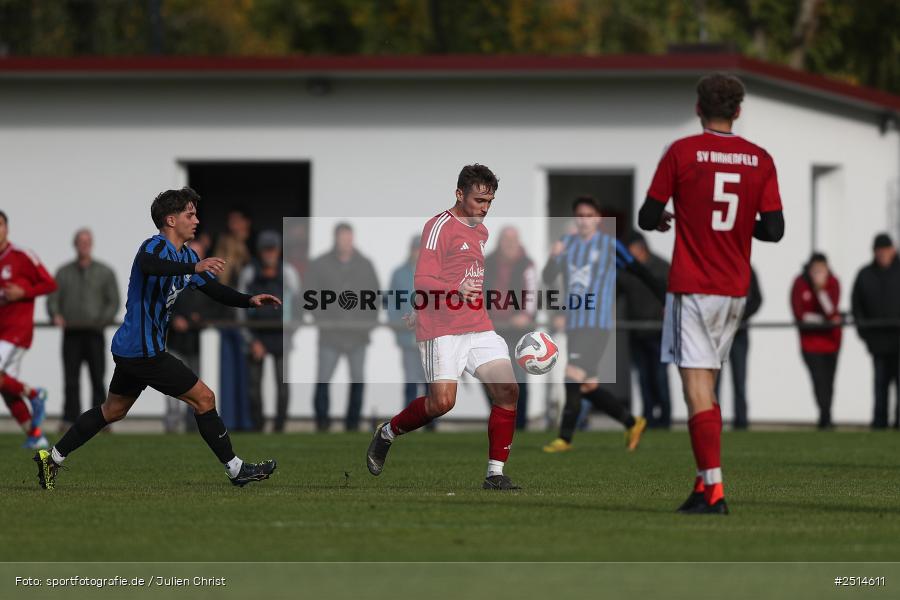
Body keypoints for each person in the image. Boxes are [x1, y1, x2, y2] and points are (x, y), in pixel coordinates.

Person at [33, 187, 281, 490]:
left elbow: (214, 290)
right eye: (190, 215)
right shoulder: (154, 247)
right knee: (204, 398)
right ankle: (235, 469)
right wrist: (193, 267)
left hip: (132, 350)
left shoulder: (187, 255)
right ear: (170, 220)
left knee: (112, 410)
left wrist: (249, 300)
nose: (197, 220)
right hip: (143, 352)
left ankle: (51, 458)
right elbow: (152, 267)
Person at [639, 72, 785, 514]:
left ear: (699, 107)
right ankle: (704, 486)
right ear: (738, 111)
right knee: (708, 387)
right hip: (735, 288)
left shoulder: (682, 151)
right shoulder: (760, 158)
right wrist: (742, 226)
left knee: (696, 387)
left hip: (694, 284)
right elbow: (774, 230)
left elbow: (647, 217)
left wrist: (670, 218)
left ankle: (716, 491)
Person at [366, 164, 522, 490]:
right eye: (479, 200)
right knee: (442, 404)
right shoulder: (439, 227)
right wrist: (445, 297)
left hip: (477, 324)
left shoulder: (480, 231)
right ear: (459, 194)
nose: (485, 208)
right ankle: (388, 432)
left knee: (508, 390)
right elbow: (423, 280)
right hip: (442, 328)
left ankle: (495, 474)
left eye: (490, 201)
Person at [541, 197, 660, 454]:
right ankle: (632, 421)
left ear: (598, 218)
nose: (584, 220)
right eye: (580, 215)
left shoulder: (610, 245)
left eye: (589, 215)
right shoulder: (568, 245)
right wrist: (553, 257)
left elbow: (639, 270)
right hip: (574, 322)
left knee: (572, 375)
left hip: (597, 324)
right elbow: (548, 277)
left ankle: (565, 438)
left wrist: (665, 296)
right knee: (587, 386)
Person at [306, 223, 380, 432]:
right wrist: (324, 320)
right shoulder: (320, 264)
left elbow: (374, 296)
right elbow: (309, 294)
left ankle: (352, 426)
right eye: (342, 238)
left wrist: (367, 325)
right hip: (330, 335)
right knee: (323, 381)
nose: (346, 242)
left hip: (358, 336)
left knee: (357, 381)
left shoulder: (365, 265)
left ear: (352, 239)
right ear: (335, 239)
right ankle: (322, 425)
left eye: (349, 238)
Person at [47, 228, 120, 431]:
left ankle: (100, 422)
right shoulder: (63, 272)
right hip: (71, 334)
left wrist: (103, 320)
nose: (84, 245)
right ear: (75, 244)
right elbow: (52, 299)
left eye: (87, 241)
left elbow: (113, 301)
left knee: (98, 378)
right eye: (80, 241)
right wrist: (55, 314)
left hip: (95, 333)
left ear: (92, 244)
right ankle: (70, 419)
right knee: (71, 380)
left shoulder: (105, 272)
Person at [0, 210, 56, 449]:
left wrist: (23, 292)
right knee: (5, 388)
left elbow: (49, 283)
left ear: (7, 228)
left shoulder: (21, 255)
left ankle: (34, 394)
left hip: (16, 330)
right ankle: (36, 436)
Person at [239, 230, 300, 432]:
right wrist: (251, 341)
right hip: (257, 336)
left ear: (279, 250)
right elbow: (241, 311)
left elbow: (297, 307)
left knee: (283, 389)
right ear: (259, 251)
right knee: (253, 390)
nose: (269, 254)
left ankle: (279, 428)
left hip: (281, 336)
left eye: (273, 249)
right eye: (266, 250)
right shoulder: (249, 273)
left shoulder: (289, 273)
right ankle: (258, 428)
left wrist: (290, 335)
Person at [483, 226, 537, 430]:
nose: (509, 244)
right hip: (491, 329)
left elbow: (531, 292)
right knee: (490, 379)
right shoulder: (487, 262)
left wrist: (525, 315)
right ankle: (499, 422)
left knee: (519, 379)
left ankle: (520, 424)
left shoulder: (526, 264)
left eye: (513, 240)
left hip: (517, 331)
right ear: (500, 241)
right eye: (506, 240)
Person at [163, 237, 218, 433]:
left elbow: (218, 308)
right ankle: (171, 425)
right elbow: (163, 305)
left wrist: (200, 319)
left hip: (198, 343)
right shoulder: (175, 279)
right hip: (177, 342)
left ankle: (193, 426)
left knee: (196, 388)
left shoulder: (210, 281)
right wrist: (175, 319)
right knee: (172, 386)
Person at [621, 231, 671, 429]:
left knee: (659, 378)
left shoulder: (662, 267)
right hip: (636, 333)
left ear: (641, 248)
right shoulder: (627, 271)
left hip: (659, 334)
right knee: (643, 379)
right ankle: (648, 418)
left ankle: (664, 419)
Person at [851, 233, 900, 430]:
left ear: (893, 250)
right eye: (879, 251)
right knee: (880, 385)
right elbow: (857, 306)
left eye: (885, 250)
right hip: (877, 341)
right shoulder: (865, 274)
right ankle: (879, 423)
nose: (882, 254)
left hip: (899, 340)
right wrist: (865, 333)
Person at [791, 253, 842, 429]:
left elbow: (831, 311)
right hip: (810, 343)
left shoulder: (833, 283)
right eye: (816, 270)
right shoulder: (800, 283)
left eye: (822, 270)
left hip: (831, 342)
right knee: (818, 380)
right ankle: (825, 418)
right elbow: (800, 315)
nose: (819, 274)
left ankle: (826, 417)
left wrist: (820, 291)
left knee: (829, 381)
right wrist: (824, 321)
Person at [388, 236, 433, 430]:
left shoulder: (434, 274)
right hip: (408, 339)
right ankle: (407, 424)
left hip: (430, 339)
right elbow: (392, 303)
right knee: (410, 383)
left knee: (431, 385)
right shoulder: (399, 274)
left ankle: (431, 425)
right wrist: (397, 327)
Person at [214, 209, 253, 431]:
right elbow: (222, 285)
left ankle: (243, 422)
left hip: (241, 323)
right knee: (229, 377)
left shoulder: (251, 251)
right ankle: (233, 421)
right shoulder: (225, 248)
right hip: (228, 321)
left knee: (242, 377)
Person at [714, 267, 762, 430]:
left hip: (740, 333)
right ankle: (713, 420)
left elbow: (757, 300)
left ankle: (741, 421)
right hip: (719, 333)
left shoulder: (748, 271)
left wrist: (739, 314)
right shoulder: (718, 268)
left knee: (739, 380)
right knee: (715, 380)